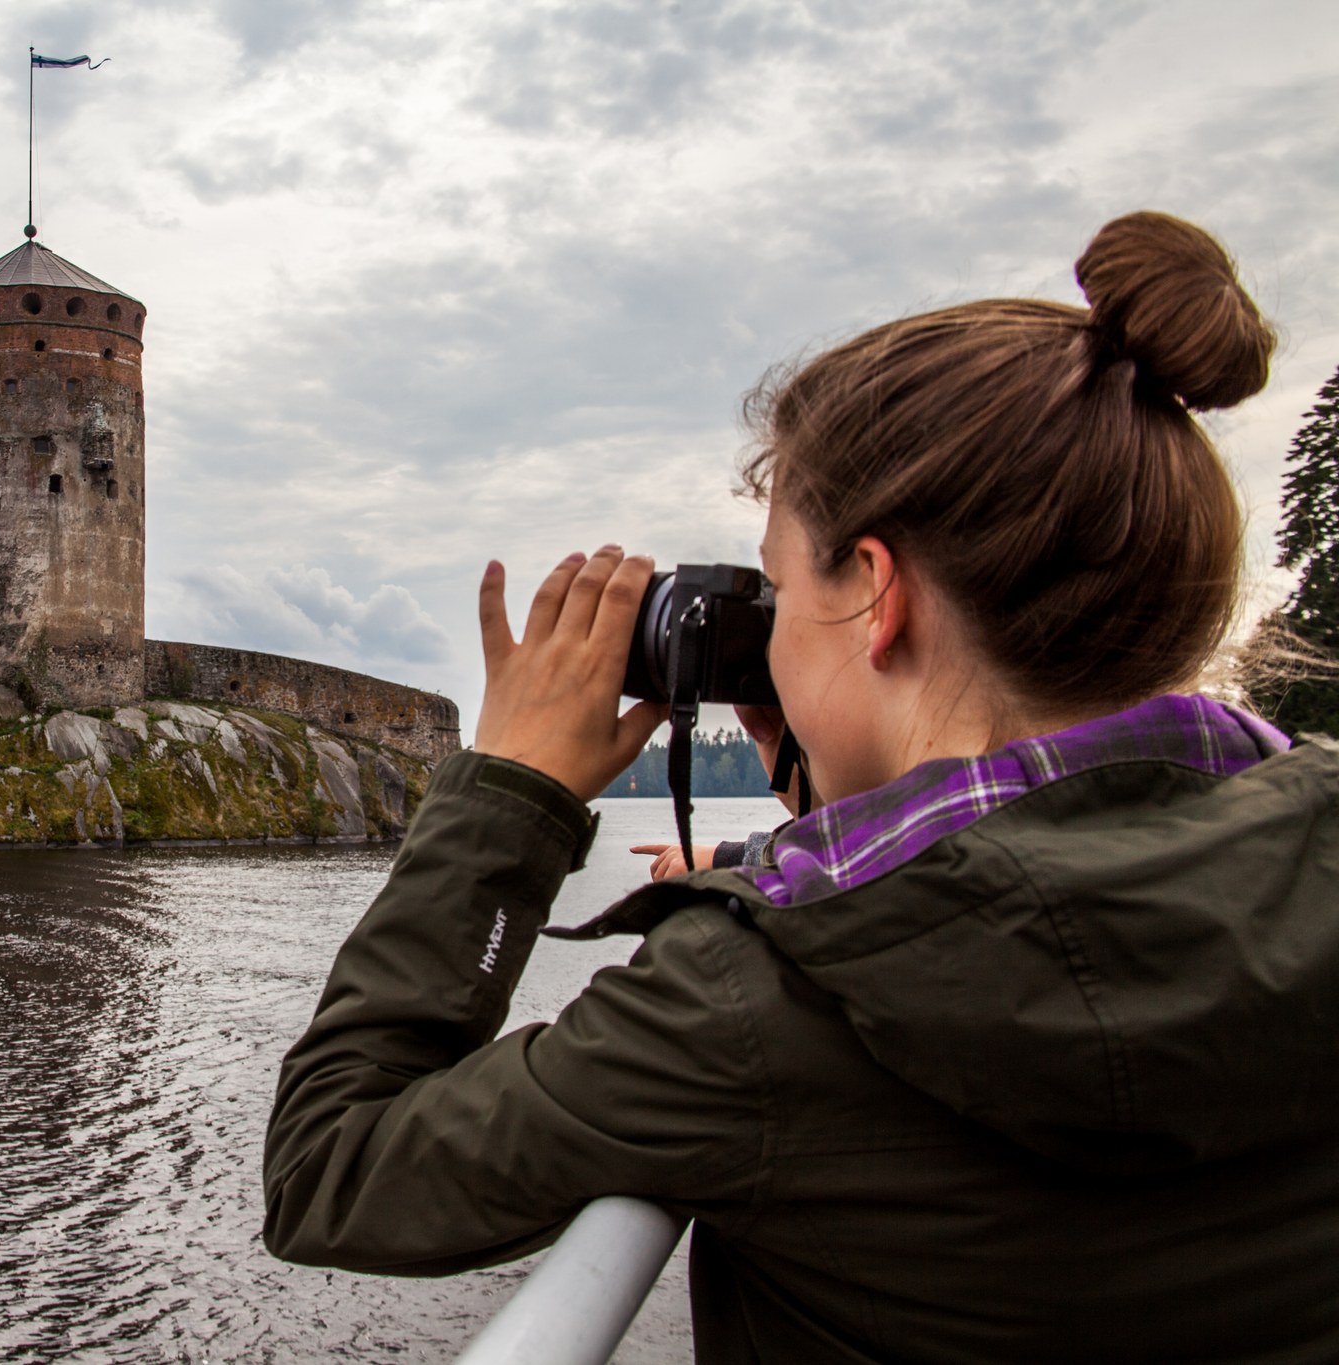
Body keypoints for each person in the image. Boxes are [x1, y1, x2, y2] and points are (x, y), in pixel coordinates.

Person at [262, 212, 1339, 1362]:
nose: (765, 640)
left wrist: (509, 791)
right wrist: (835, 788)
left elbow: (332, 1169)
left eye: (774, 589)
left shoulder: (755, 1009)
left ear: (875, 595)